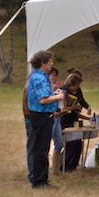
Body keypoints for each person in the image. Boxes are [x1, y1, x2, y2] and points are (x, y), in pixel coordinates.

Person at [26, 50, 65, 188]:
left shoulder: (41, 76)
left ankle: (41, 179)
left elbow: (44, 94)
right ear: (43, 63)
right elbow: (42, 100)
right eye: (50, 61)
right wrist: (59, 97)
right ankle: (40, 181)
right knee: (41, 149)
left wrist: (54, 93)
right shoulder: (39, 78)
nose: (51, 63)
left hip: (44, 116)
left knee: (43, 148)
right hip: (41, 116)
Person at [59, 73, 89, 172]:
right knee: (71, 143)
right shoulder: (64, 91)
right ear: (71, 84)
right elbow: (64, 109)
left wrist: (87, 107)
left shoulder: (78, 90)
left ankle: (73, 165)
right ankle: (65, 166)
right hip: (65, 119)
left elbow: (82, 100)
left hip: (74, 119)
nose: (78, 87)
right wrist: (75, 107)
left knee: (78, 143)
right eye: (77, 85)